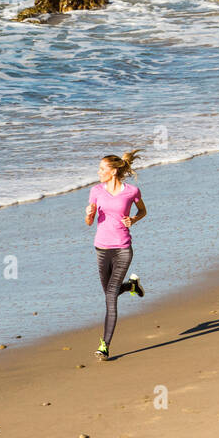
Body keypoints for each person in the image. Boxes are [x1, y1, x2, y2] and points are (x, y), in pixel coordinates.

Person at [85, 150, 146, 360]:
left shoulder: (131, 191)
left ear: (113, 172)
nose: (99, 171)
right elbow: (89, 222)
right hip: (101, 249)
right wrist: (89, 215)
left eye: (102, 169)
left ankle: (105, 345)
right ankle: (132, 286)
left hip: (122, 248)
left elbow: (142, 211)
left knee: (111, 296)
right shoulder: (95, 191)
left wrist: (134, 220)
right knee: (109, 292)